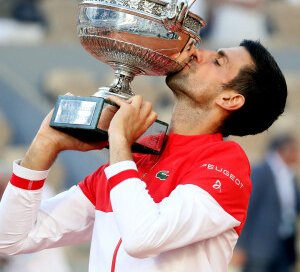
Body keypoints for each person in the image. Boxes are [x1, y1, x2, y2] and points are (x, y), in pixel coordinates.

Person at [0, 39, 287, 272]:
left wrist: (121, 142)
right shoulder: (139, 157)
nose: (198, 52)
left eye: (218, 61)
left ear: (230, 99)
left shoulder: (226, 163)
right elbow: (10, 240)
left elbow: (143, 237)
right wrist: (43, 145)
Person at [234, 134, 300, 272]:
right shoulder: (261, 172)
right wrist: (240, 246)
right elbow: (246, 209)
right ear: (283, 150)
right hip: (259, 249)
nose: (297, 154)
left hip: (284, 247)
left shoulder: (289, 176)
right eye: (294, 149)